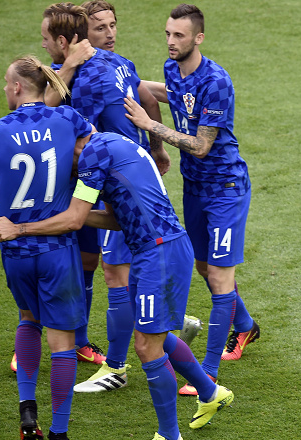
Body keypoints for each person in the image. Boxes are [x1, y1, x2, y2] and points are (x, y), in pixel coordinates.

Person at [0, 131, 235, 440]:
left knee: (146, 346)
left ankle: (169, 438)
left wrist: (21, 227)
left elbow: (76, 218)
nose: (71, 170)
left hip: (160, 254)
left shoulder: (93, 153)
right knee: (154, 337)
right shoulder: (110, 144)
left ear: (72, 144)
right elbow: (116, 220)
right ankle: (210, 393)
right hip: (153, 250)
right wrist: (63, 214)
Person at [124, 3, 259, 397]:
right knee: (204, 267)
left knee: (219, 278)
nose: (170, 41)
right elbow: (174, 93)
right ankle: (246, 325)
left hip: (225, 189)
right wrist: (133, 85)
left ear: (198, 38)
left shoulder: (216, 81)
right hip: (194, 187)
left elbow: (201, 145)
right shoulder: (173, 68)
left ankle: (210, 372)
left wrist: (151, 126)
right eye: (168, 33)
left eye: (179, 36)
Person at [38, 2, 173, 391]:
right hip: (131, 173)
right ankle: (157, 339)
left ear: (64, 41)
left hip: (120, 183)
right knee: (122, 268)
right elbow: (147, 100)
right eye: (102, 26)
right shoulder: (117, 63)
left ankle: (117, 366)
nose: (45, 46)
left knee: (120, 271)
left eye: (47, 40)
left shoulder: (85, 81)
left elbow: (49, 121)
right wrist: (156, 148)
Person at [0, 55, 94, 440]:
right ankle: (59, 437)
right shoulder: (67, 119)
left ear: (14, 89)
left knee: (28, 321)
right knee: (62, 342)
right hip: (57, 249)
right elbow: (93, 153)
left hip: (16, 250)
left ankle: (28, 410)